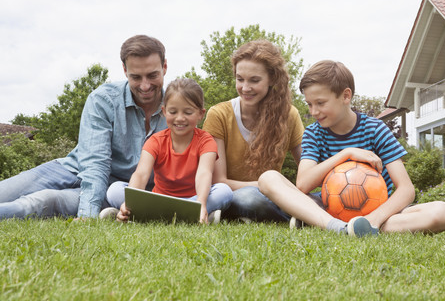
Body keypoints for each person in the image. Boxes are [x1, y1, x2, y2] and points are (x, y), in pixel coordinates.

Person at [258, 60, 445, 236]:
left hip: (377, 211)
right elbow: (303, 184)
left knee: (443, 212)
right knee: (268, 178)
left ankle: (349, 225)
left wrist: (374, 219)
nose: (313, 111)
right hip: (328, 209)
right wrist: (346, 154)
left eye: (320, 103)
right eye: (309, 104)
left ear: (345, 96)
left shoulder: (375, 129)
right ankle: (337, 226)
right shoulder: (313, 133)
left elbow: (406, 189)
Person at [0, 34, 169, 219]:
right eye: (136, 77)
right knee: (5, 192)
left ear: (164, 67)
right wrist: (88, 214)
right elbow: (96, 164)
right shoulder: (104, 99)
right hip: (71, 168)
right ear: (124, 70)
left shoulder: (179, 109)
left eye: (152, 75)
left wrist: (87, 217)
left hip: (115, 189)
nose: (145, 86)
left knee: (40, 202)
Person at [103, 78, 233, 223]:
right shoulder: (155, 141)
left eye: (188, 112)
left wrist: (201, 203)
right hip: (159, 200)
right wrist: (130, 202)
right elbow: (141, 174)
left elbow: (204, 173)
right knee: (114, 189)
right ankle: (183, 216)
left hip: (194, 199)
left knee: (224, 191)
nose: (180, 118)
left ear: (200, 114)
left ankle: (191, 212)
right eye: (173, 112)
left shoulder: (206, 141)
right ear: (164, 111)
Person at [202, 39, 305, 222]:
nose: (245, 88)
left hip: (274, 197)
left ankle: (247, 217)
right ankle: (296, 217)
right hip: (235, 195)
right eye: (240, 79)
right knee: (248, 198)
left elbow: (307, 171)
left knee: (316, 199)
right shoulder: (219, 115)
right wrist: (269, 186)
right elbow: (219, 181)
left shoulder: (289, 115)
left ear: (272, 79)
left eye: (254, 80)